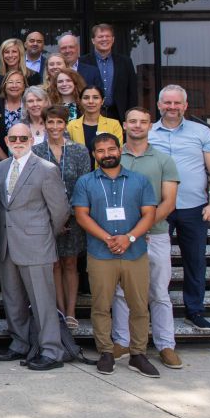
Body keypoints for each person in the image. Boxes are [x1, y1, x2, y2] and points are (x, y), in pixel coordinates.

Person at [72, 133, 160, 377]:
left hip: (135, 252)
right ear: (94, 155)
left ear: (119, 150)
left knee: (140, 306)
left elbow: (149, 214)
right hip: (101, 253)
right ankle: (106, 352)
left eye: (111, 149)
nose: (106, 154)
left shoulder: (139, 180)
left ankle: (138, 354)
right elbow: (81, 215)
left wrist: (128, 238)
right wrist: (108, 238)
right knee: (101, 305)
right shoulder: (85, 182)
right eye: (100, 151)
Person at [0, 122, 72, 371]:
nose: (18, 142)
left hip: (37, 244)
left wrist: (44, 234)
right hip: (7, 245)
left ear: (31, 140)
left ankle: (52, 350)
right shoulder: (0, 168)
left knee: (42, 301)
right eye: (13, 138)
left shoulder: (46, 169)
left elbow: (60, 210)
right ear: (6, 141)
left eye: (23, 138)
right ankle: (19, 343)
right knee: (13, 299)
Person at [112, 107, 183, 368]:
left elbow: (169, 201)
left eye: (143, 122)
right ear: (124, 125)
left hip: (155, 235)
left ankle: (166, 345)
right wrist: (126, 235)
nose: (138, 126)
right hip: (120, 237)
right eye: (132, 121)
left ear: (150, 126)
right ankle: (122, 341)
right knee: (120, 292)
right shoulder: (114, 157)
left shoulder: (164, 160)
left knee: (159, 292)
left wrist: (139, 230)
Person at [149, 84, 210, 330]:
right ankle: (155, 309)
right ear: (159, 105)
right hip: (158, 208)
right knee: (156, 263)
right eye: (167, 103)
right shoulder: (148, 133)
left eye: (176, 103)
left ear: (185, 105)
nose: (172, 107)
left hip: (194, 207)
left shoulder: (201, 132)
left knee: (195, 261)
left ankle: (194, 310)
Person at [34, 105, 91, 328]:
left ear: (65, 124)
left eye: (59, 122)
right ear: (44, 124)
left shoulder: (79, 151)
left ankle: (71, 312)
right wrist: (54, 217)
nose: (55, 126)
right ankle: (58, 310)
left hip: (75, 217)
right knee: (54, 264)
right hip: (47, 218)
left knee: (70, 263)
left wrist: (69, 215)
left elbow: (85, 184)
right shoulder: (37, 151)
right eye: (50, 122)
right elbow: (35, 187)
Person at [0, 70, 28, 161]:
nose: (14, 85)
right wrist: (8, 162)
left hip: (29, 160)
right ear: (4, 85)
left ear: (24, 86)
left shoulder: (30, 106)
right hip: (2, 161)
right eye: (10, 82)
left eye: (18, 82)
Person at [67, 86, 124, 156]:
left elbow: (116, 153)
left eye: (95, 97)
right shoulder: (71, 125)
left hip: (106, 166)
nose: (91, 101)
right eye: (86, 98)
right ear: (80, 101)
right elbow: (68, 153)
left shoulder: (114, 125)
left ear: (102, 101)